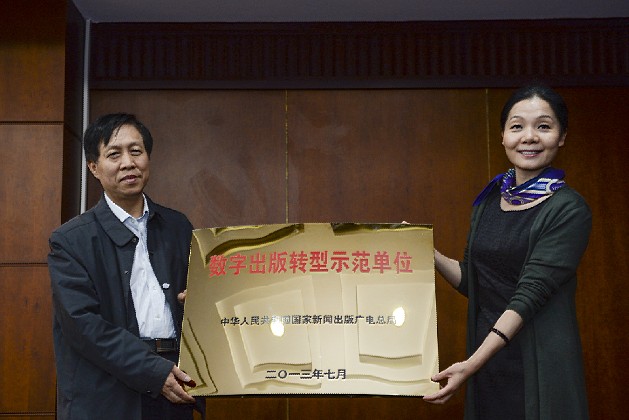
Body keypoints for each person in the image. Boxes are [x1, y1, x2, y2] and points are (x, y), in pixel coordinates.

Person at [424, 86, 591, 419]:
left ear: (561, 137)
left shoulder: (569, 209)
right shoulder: (488, 201)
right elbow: (475, 281)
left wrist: (472, 363)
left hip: (538, 367)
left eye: (543, 126)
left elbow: (529, 294)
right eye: (517, 126)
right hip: (488, 364)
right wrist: (426, 253)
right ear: (503, 136)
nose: (529, 137)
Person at [48, 113, 197, 419]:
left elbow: (197, 300)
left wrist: (197, 301)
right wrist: (152, 371)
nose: (128, 163)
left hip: (175, 383)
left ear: (148, 158)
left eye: (136, 151)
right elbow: (83, 325)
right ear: (94, 167)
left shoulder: (178, 226)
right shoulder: (70, 240)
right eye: (114, 154)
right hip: (108, 394)